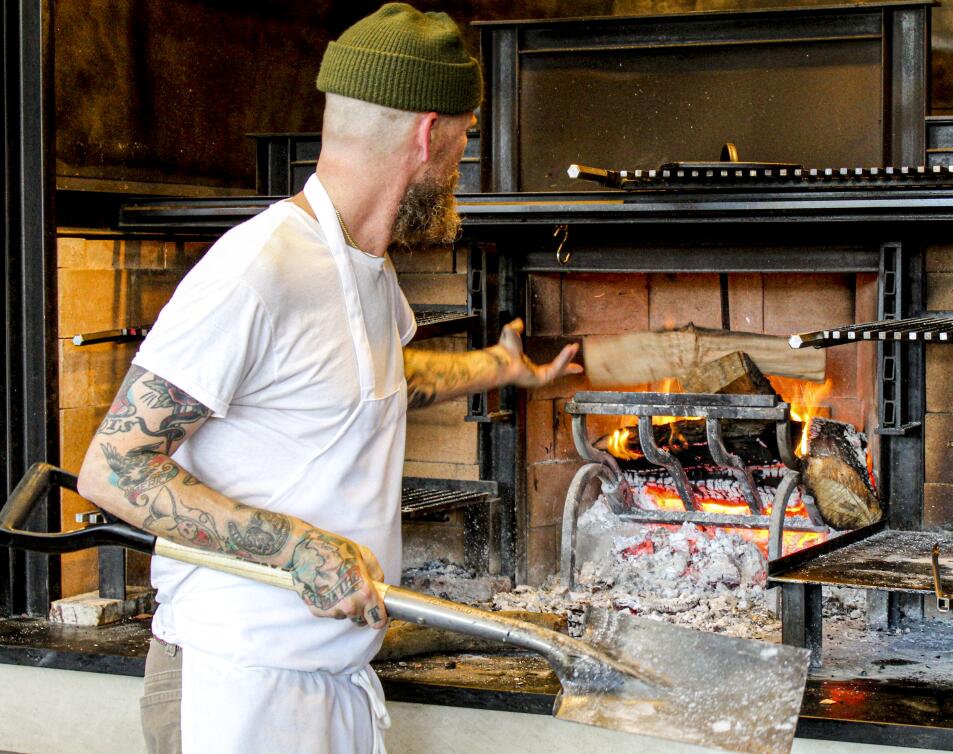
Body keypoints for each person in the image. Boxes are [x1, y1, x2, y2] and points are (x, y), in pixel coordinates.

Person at [75, 5, 580, 753]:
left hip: (329, 678)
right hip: (235, 682)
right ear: (425, 133)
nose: (459, 165)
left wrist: (497, 369)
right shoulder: (259, 269)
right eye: (464, 139)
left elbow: (361, 382)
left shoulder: (365, 269)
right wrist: (298, 548)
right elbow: (111, 468)